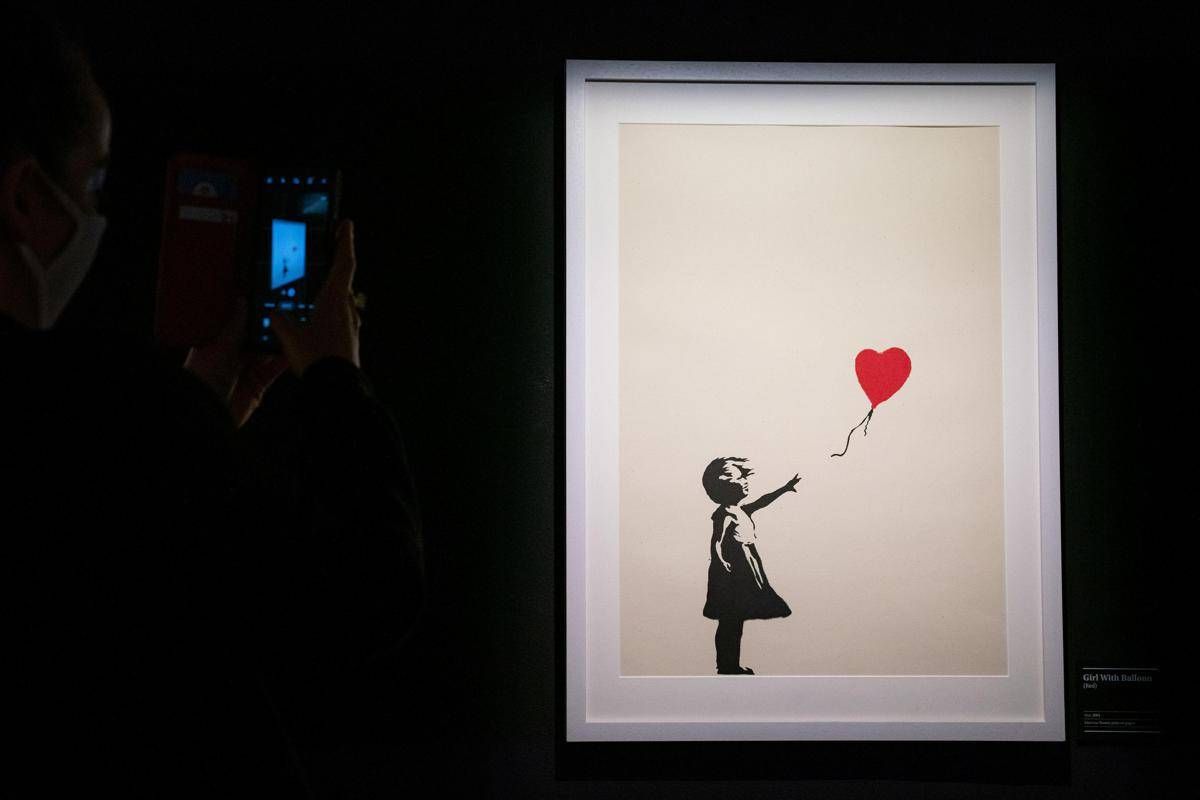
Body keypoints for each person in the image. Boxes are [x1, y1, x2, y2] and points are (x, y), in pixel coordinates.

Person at [2, 11, 423, 797]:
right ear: (24, 197)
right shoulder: (112, 407)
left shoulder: (123, 423)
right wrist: (336, 376)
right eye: (94, 184)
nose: (98, 215)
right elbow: (370, 596)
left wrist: (194, 422)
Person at [701, 457, 799, 675]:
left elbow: (763, 501)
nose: (745, 481)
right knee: (730, 620)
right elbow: (716, 541)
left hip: (747, 567)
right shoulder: (724, 514)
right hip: (733, 572)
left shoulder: (742, 510)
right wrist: (721, 560)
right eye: (740, 478)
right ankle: (726, 666)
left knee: (736, 620)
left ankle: (730, 665)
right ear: (724, 485)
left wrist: (785, 488)